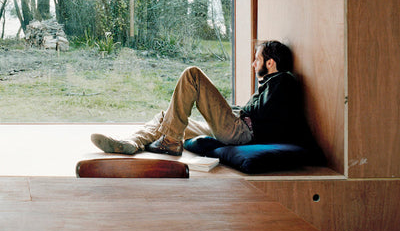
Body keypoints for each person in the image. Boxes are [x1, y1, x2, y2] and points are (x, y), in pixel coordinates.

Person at [91, 40, 316, 157]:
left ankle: (170, 142)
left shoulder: (283, 82)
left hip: (242, 134)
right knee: (165, 118)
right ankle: (131, 143)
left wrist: (235, 111)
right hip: (236, 129)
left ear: (271, 63)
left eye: (257, 59)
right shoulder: (272, 84)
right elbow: (258, 111)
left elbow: (263, 115)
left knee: (193, 75)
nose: (253, 64)